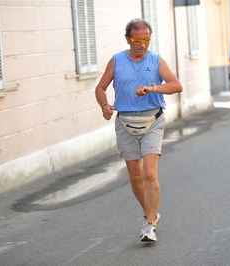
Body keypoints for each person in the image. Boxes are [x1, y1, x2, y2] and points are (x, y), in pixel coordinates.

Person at [95, 18, 182, 242]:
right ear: (127, 39)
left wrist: (153, 88)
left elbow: (176, 85)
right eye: (137, 40)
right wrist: (104, 105)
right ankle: (150, 213)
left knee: (149, 174)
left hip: (152, 120)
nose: (142, 44)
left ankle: (149, 224)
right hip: (125, 122)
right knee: (135, 178)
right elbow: (100, 88)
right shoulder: (116, 61)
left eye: (146, 40)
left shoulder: (156, 60)